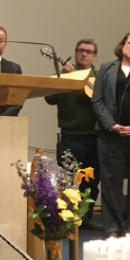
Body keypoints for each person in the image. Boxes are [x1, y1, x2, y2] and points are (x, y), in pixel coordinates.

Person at [92, 32, 130, 237]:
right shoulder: (106, 69)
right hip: (110, 134)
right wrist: (111, 125)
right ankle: (112, 229)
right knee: (111, 183)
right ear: (123, 45)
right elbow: (97, 100)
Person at [44, 39, 101, 212]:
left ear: (94, 57)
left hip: (95, 136)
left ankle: (85, 218)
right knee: (66, 180)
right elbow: (49, 98)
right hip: (71, 136)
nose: (84, 54)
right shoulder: (64, 75)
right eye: (80, 50)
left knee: (91, 181)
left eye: (88, 51)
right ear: (75, 53)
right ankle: (65, 218)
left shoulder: (100, 78)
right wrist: (63, 78)